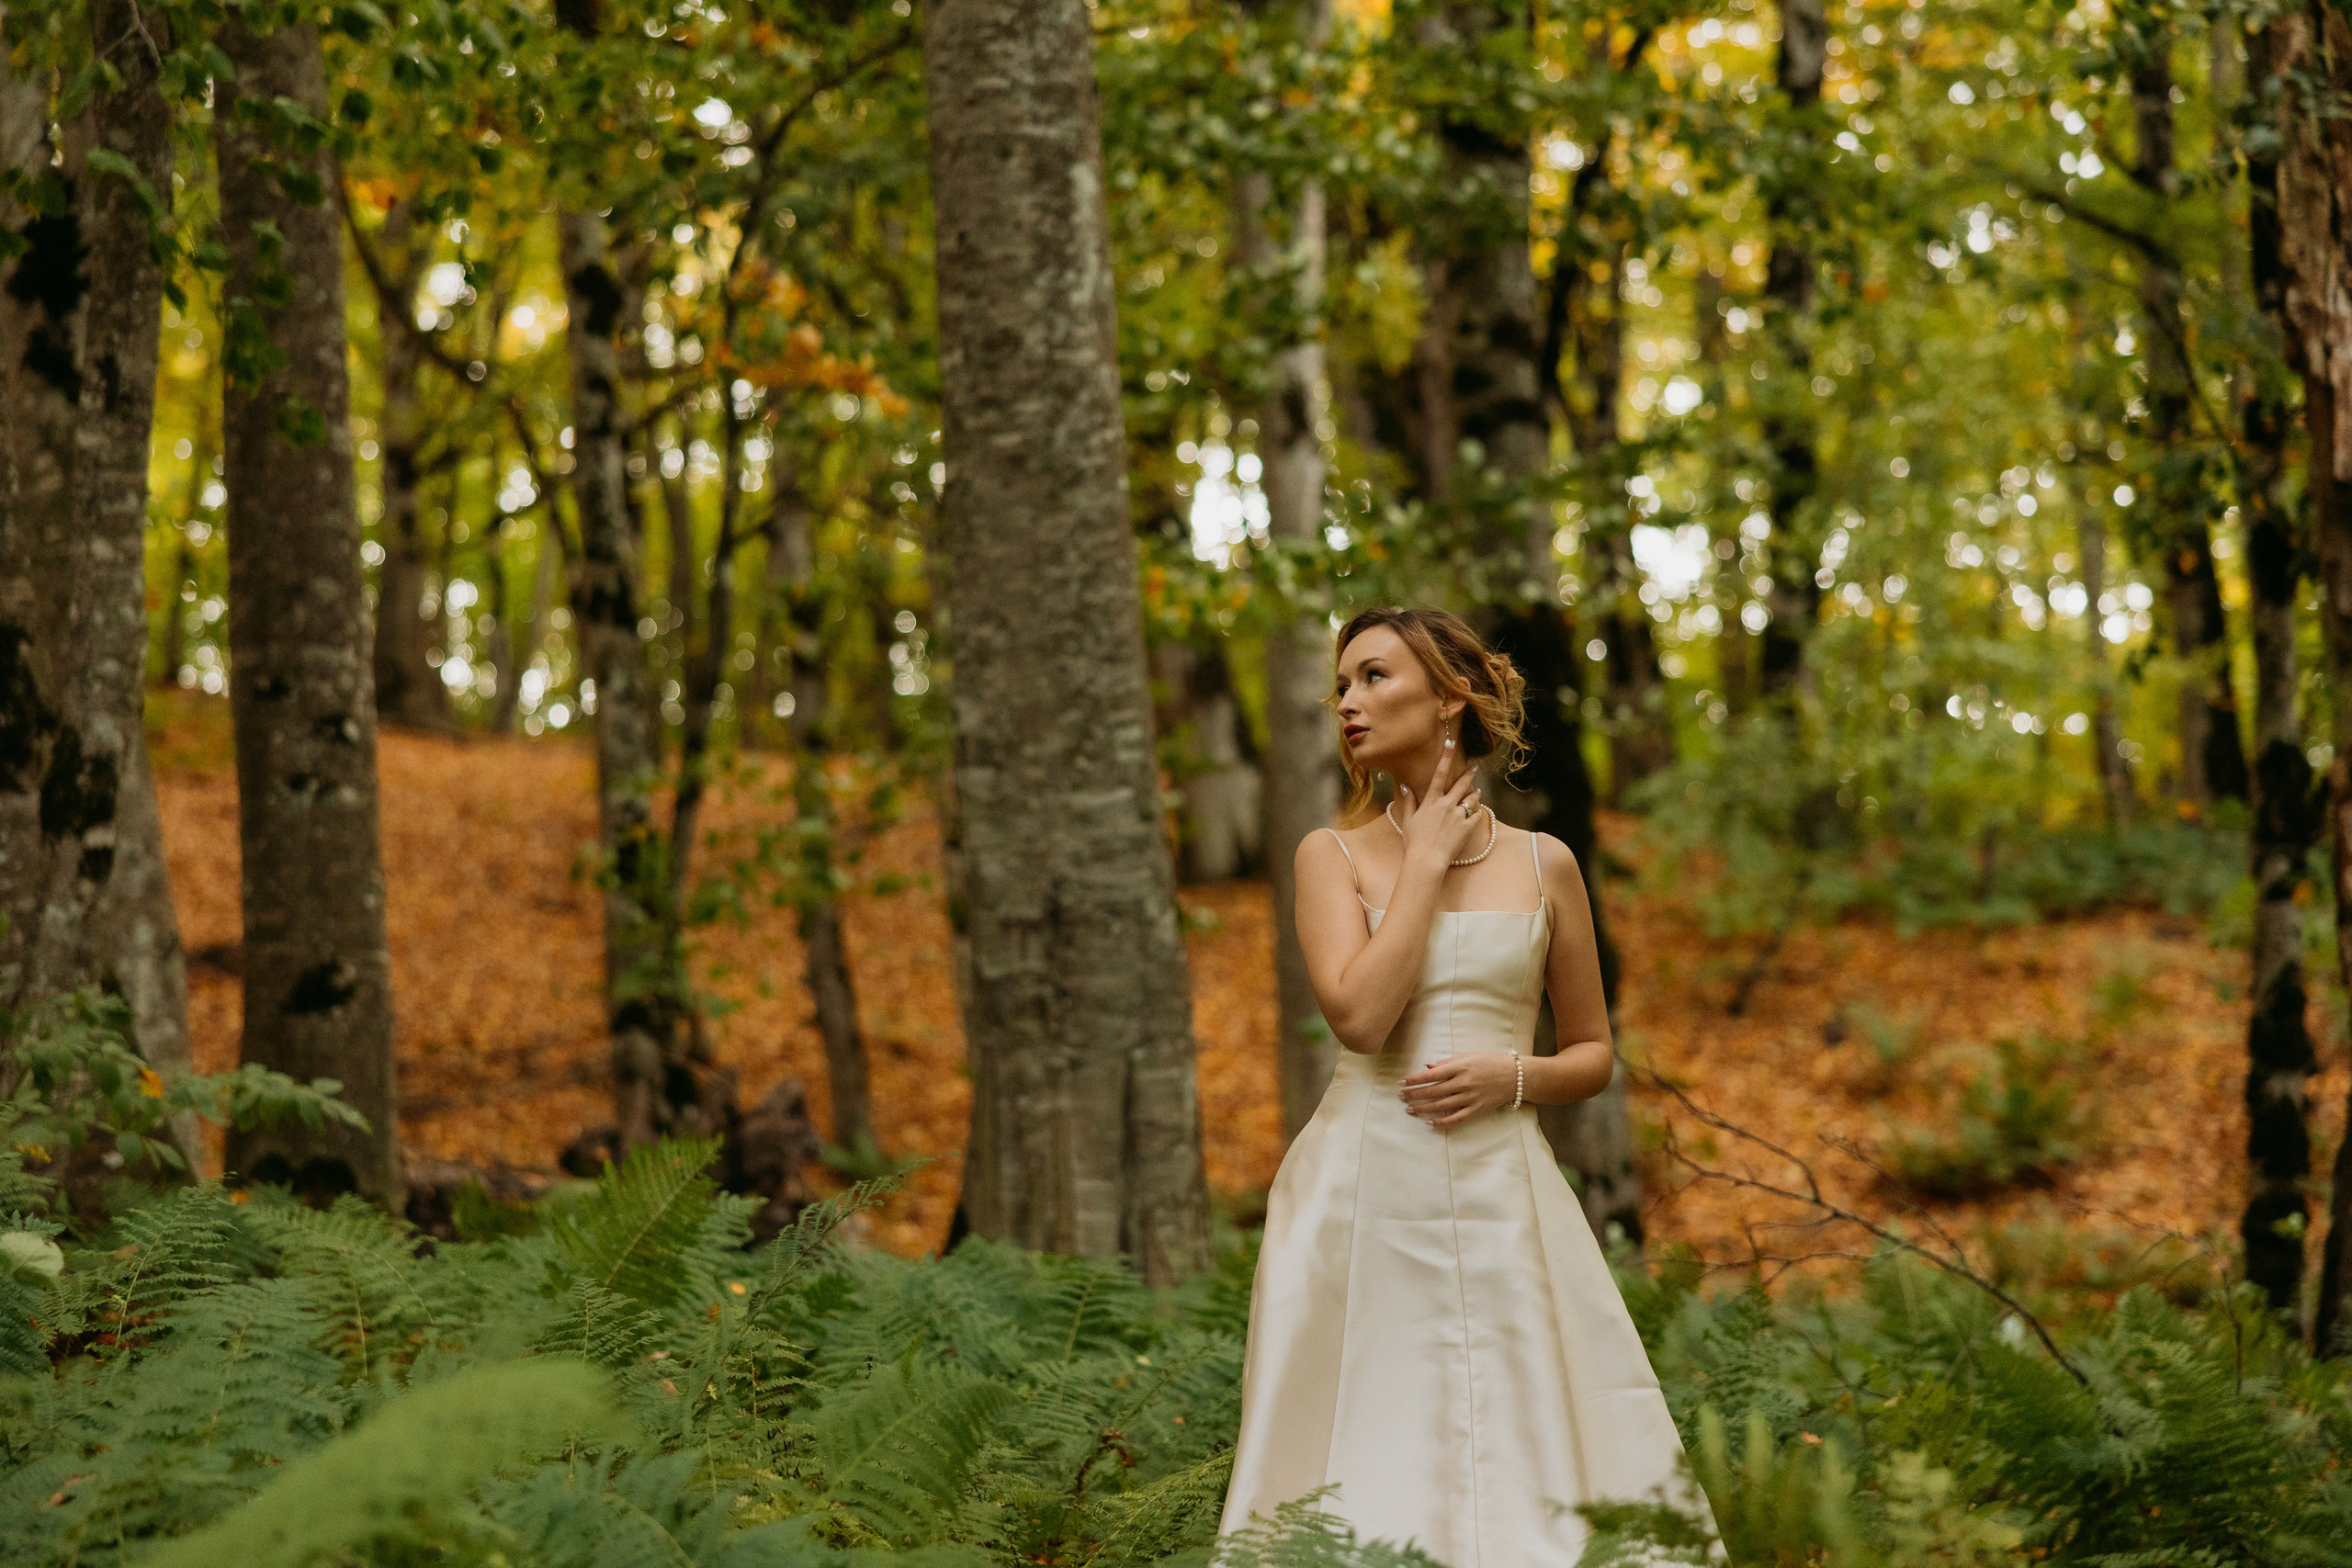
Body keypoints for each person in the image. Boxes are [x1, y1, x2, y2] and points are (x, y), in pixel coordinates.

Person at [1217, 606, 1721, 1564]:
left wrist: (1513, 1075)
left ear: (1448, 699)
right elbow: (1362, 1020)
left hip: (1502, 1191)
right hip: (1358, 1193)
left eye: (1373, 678)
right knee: (1366, 1448)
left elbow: (1592, 1052)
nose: (1347, 703)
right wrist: (1426, 862)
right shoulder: (1328, 856)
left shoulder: (1547, 865)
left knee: (1527, 1440)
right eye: (1340, 685)